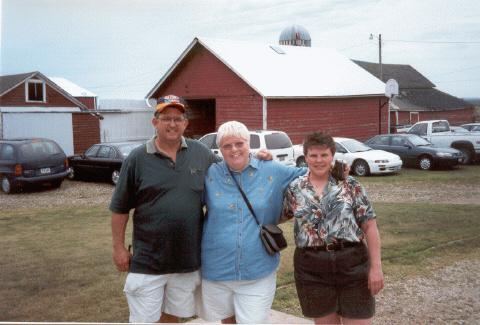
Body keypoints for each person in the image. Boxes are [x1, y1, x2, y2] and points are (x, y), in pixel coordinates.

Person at [109, 95, 218, 323]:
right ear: (154, 122)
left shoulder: (201, 154)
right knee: (144, 320)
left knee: (172, 318)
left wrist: (258, 159)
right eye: (166, 118)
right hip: (147, 261)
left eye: (178, 119)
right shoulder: (137, 159)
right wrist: (119, 248)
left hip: (186, 260)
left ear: (186, 123)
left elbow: (231, 171)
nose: (172, 124)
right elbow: (119, 208)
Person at [199, 121, 306, 324]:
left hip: (258, 269)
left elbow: (309, 174)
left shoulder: (271, 169)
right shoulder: (210, 174)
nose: (234, 150)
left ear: (249, 143)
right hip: (216, 268)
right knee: (227, 321)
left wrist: (337, 169)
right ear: (219, 149)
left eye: (239, 143)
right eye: (227, 146)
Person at [282, 132, 384, 325]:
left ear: (332, 156)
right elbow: (282, 215)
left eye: (324, 155)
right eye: (313, 155)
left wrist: (376, 268)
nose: (318, 160)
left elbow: (370, 226)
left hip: (352, 265)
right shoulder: (294, 189)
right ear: (305, 157)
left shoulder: (350, 184)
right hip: (312, 268)